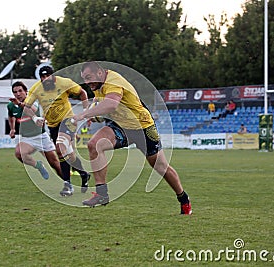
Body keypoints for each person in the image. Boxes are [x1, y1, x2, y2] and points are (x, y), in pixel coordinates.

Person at [72, 61, 192, 214]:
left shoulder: (113, 82)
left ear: (100, 73)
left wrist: (84, 114)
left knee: (160, 167)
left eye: (89, 77)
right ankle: (102, 193)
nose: (87, 82)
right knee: (94, 144)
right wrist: (92, 112)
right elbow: (99, 101)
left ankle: (183, 199)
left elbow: (111, 105)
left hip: (143, 128)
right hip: (122, 126)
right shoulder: (98, 84)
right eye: (84, 79)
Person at [24, 66, 91, 196]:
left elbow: (82, 92)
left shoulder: (64, 83)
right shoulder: (36, 88)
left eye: (47, 76)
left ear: (52, 76)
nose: (45, 79)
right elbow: (26, 107)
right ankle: (84, 174)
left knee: (60, 148)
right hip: (52, 125)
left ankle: (67, 185)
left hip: (68, 121)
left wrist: (86, 111)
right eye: (42, 77)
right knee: (68, 154)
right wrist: (34, 117)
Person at [7, 81, 62, 179]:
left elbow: (32, 109)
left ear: (26, 92)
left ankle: (67, 183)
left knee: (55, 164)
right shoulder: (11, 105)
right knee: (19, 154)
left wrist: (20, 104)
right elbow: (11, 116)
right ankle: (39, 166)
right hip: (27, 139)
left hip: (40, 137)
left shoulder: (32, 101)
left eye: (20, 91)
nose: (18, 94)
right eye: (15, 92)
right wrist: (12, 129)